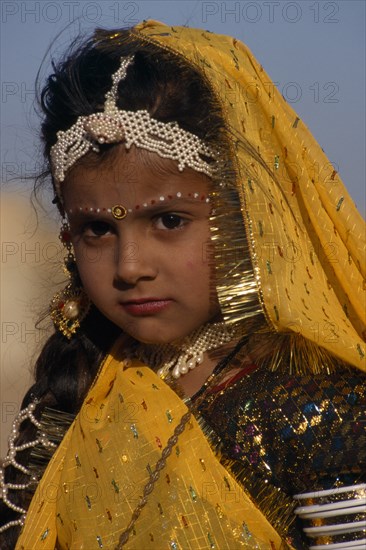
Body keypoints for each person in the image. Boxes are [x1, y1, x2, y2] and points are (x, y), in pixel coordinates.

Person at [0, 20, 365, 550]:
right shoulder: (68, 398)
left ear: (247, 216)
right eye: (97, 229)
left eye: (169, 220)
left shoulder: (320, 407)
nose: (129, 266)